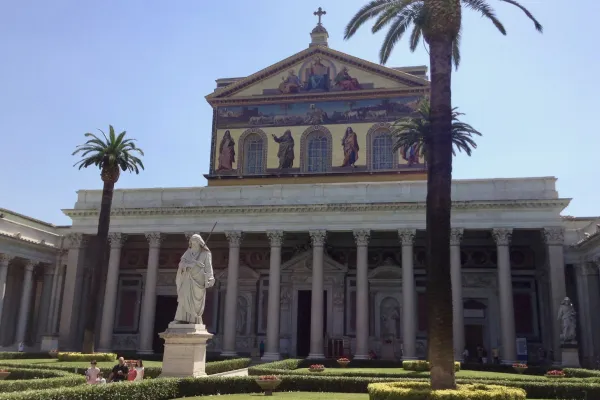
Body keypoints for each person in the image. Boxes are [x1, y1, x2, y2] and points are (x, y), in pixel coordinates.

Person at [173, 234, 215, 325]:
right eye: (192, 241)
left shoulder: (206, 254)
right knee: (183, 299)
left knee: (195, 303)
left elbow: (208, 267)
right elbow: (181, 264)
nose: (193, 243)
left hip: (198, 280)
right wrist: (188, 265)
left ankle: (194, 319)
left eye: (195, 241)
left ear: (200, 242)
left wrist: (210, 277)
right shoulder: (188, 252)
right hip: (187, 278)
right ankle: (180, 318)